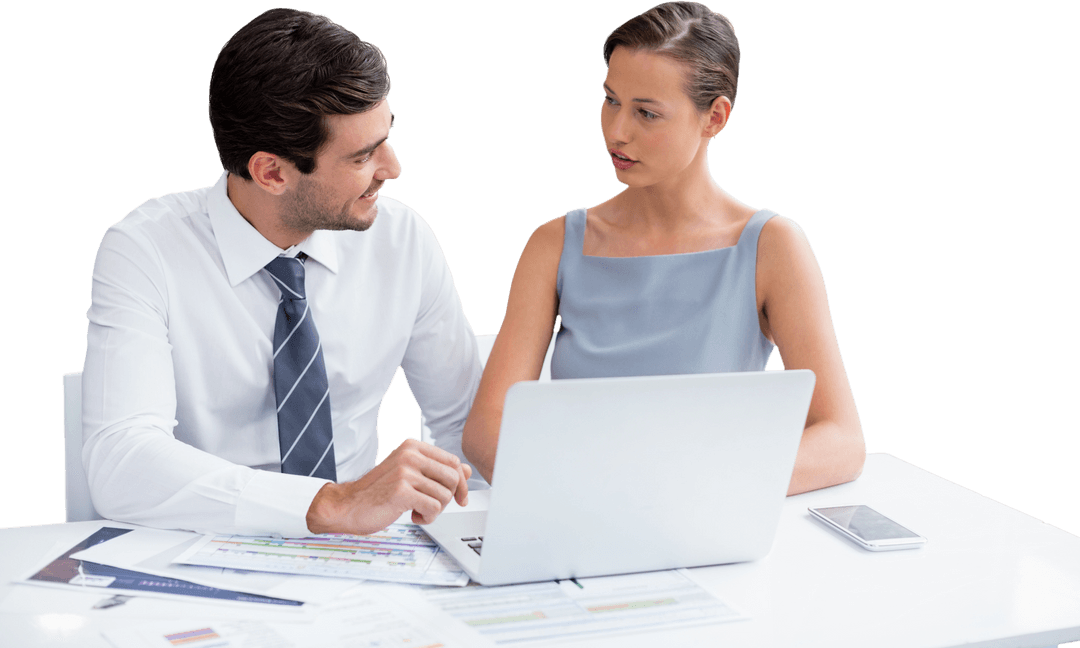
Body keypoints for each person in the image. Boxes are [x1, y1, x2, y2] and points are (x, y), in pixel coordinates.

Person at [82, 8, 482, 538]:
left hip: (368, 560)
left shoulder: (401, 239)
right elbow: (121, 461)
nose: (392, 168)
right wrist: (331, 504)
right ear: (271, 172)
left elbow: (466, 428)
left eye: (385, 137)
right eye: (363, 156)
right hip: (205, 553)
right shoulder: (145, 250)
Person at [462, 1, 866, 493]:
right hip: (577, 516)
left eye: (647, 113)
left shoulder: (771, 247)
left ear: (714, 117)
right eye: (610, 100)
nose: (617, 131)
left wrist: (690, 485)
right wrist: (576, 494)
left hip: (706, 522)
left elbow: (842, 440)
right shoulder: (555, 244)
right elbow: (487, 429)